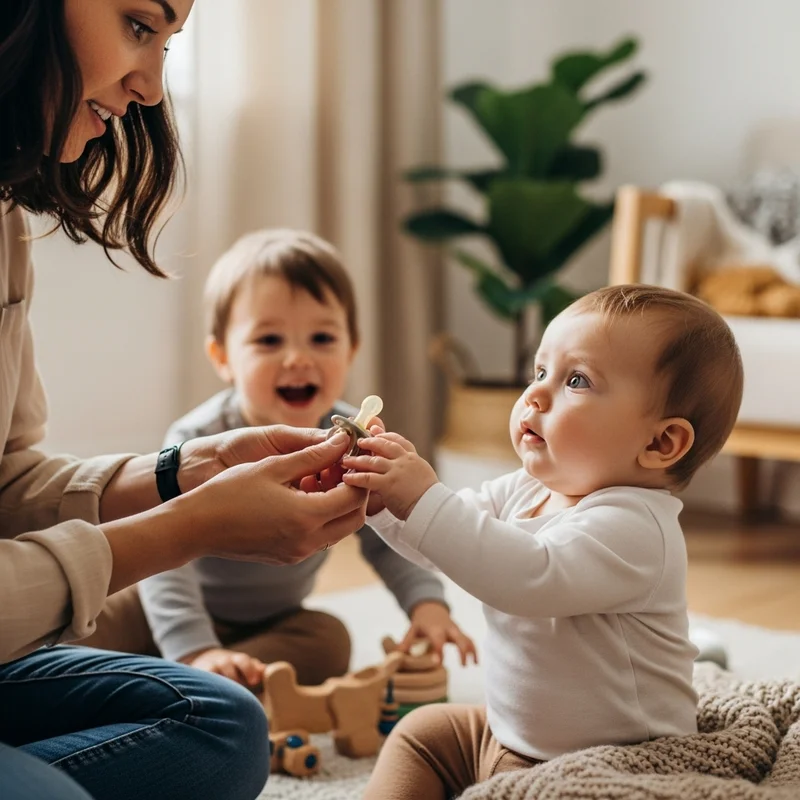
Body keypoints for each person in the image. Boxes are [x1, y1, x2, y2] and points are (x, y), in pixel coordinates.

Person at [0, 2, 368, 799]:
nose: (154, 87)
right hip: (145, 615)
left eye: (170, 45)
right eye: (138, 25)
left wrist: (184, 475)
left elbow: (9, 485)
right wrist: (187, 531)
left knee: (224, 725)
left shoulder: (3, 219)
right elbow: (166, 578)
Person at [341, 285, 745, 800]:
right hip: (508, 735)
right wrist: (381, 500)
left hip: (606, 765)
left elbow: (525, 578)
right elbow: (444, 540)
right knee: (421, 733)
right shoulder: (529, 488)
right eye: (539, 372)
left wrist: (422, 496)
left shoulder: (637, 529)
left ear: (659, 443)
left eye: (576, 380)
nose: (534, 394)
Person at [82, 228, 477, 687]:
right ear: (223, 356)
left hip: (273, 620)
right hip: (162, 608)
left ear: (351, 350)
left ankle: (223, 679)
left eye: (322, 338)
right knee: (82, 621)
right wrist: (195, 647)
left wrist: (427, 604)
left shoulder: (355, 439)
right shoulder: (197, 440)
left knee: (329, 641)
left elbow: (386, 536)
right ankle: (196, 676)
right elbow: (167, 564)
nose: (297, 358)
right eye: (269, 340)